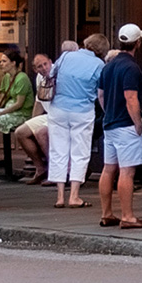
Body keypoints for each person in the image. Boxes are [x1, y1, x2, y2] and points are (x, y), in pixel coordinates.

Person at [97, 25, 142, 228]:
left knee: (108, 169)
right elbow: (131, 97)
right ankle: (128, 216)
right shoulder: (131, 67)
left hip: (109, 123)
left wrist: (108, 112)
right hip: (125, 125)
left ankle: (107, 213)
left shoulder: (108, 66)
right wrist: (138, 123)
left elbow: (100, 94)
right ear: (138, 42)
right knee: (127, 172)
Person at [46, 35, 106, 209]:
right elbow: (99, 90)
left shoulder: (66, 56)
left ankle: (59, 196)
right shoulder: (99, 65)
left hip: (58, 108)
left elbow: (51, 75)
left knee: (58, 150)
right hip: (82, 110)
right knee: (80, 152)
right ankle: (74, 195)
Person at [10, 50, 56, 182]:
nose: (44, 68)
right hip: (47, 115)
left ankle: (54, 171)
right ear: (35, 69)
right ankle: (40, 168)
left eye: (45, 64)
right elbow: (39, 101)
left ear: (50, 62)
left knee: (41, 132)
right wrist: (32, 121)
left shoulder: (57, 74)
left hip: (58, 115)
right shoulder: (39, 77)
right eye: (40, 66)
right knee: (21, 132)